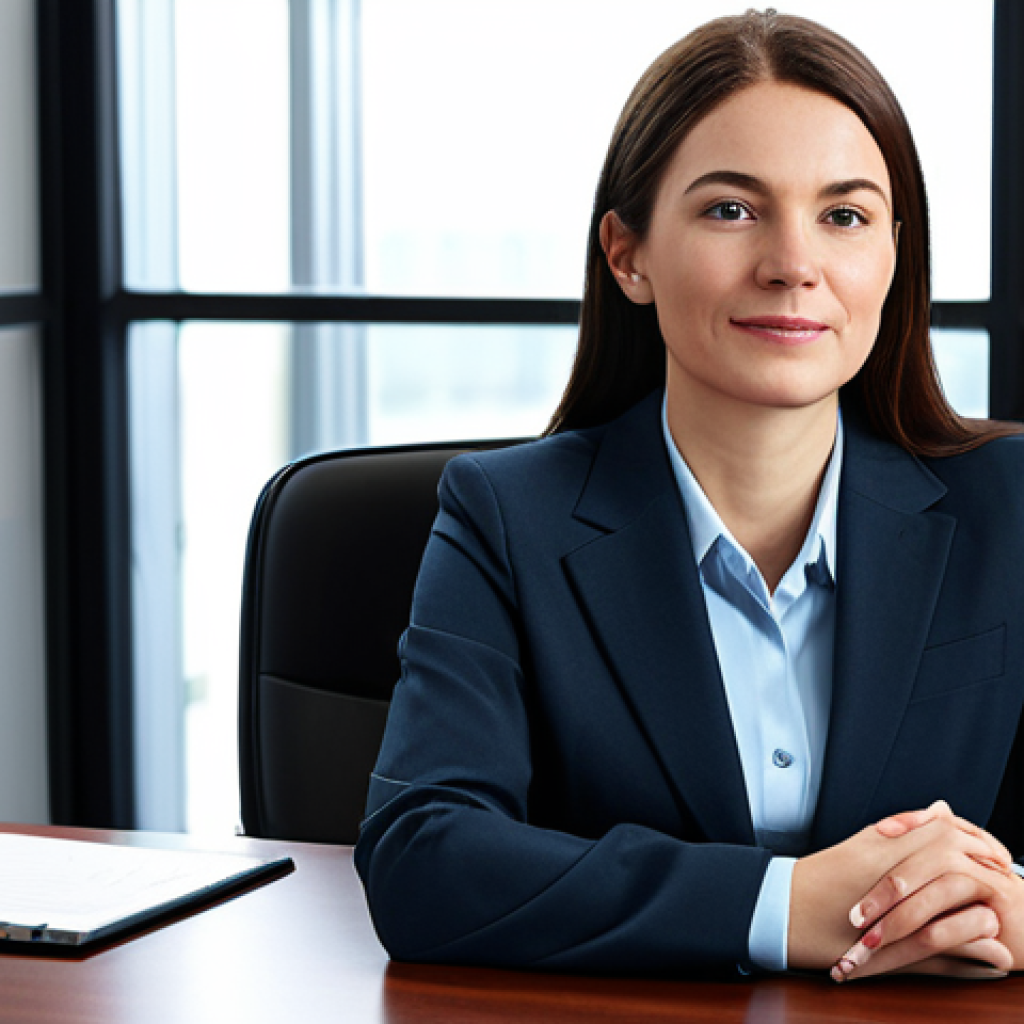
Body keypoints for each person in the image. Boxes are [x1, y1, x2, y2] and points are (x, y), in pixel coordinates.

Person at [355, 9, 1024, 980]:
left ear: (892, 253)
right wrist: (785, 904)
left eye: (843, 215)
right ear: (627, 254)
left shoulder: (1009, 508)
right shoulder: (505, 518)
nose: (793, 264)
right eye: (730, 210)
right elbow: (422, 856)